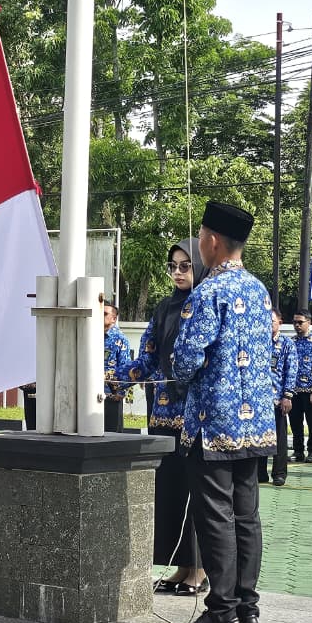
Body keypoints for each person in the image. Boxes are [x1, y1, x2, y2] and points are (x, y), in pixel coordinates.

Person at [168, 202, 273, 623]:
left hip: (212, 424)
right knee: (246, 517)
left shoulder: (208, 292)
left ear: (212, 241)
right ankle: (249, 614)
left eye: (200, 237)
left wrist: (180, 369)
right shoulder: (259, 290)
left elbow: (185, 361)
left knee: (216, 519)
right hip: (256, 426)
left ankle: (221, 614)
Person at [113, 239, 208, 596]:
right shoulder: (164, 308)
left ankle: (200, 570)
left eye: (186, 266)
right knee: (169, 491)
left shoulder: (206, 304)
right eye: (173, 266)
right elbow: (148, 357)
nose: (179, 273)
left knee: (196, 492)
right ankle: (181, 567)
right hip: (164, 413)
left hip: (196, 415)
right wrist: (117, 377)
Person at [261, 309, 298, 486]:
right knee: (258, 438)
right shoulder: (257, 342)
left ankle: (279, 473)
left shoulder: (286, 344)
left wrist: (287, 396)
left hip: (277, 399)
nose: (267, 325)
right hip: (258, 401)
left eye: (271, 321)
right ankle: (259, 472)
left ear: (280, 323)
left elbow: (291, 371)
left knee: (279, 438)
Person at [289, 311, 312, 463]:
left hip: (311, 390)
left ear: (309, 323)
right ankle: (298, 451)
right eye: (295, 322)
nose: (297, 325)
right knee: (295, 422)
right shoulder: (290, 342)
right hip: (294, 390)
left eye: (300, 322)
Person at [102, 298, 131, 433]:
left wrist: (120, 391)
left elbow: (125, 366)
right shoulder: (90, 335)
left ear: (114, 318)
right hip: (90, 393)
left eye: (104, 314)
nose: (100, 316)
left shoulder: (120, 338)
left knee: (111, 433)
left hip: (111, 393)